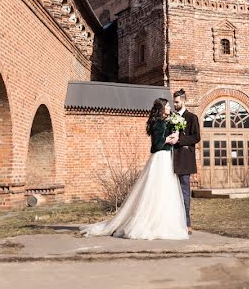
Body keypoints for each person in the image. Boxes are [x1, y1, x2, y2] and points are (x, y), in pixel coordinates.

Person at [80, 98, 189, 240]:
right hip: (160, 159)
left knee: (165, 191)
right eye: (167, 105)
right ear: (162, 108)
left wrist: (175, 136)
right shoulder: (159, 123)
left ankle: (163, 221)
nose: (170, 107)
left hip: (166, 158)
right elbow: (156, 145)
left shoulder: (165, 121)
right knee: (157, 190)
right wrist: (169, 139)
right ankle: (150, 223)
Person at [172, 89, 200, 234]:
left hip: (185, 159)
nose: (174, 104)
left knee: (184, 191)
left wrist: (180, 140)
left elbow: (196, 137)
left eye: (177, 102)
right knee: (172, 192)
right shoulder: (171, 117)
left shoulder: (192, 117)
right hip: (171, 158)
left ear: (183, 101)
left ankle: (187, 223)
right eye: (174, 102)